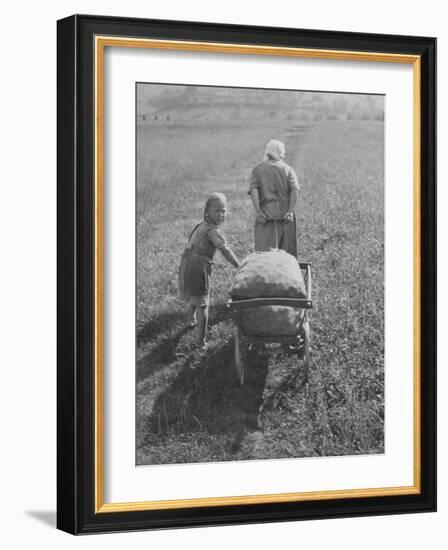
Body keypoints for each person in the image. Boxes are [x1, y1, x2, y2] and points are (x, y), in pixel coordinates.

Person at [179, 192, 240, 349]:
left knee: (195, 295)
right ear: (207, 211)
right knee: (204, 304)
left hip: (189, 263)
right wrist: (239, 266)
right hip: (198, 268)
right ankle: (201, 342)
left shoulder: (202, 224)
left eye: (223, 210)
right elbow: (225, 250)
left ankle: (189, 320)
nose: (221, 215)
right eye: (216, 211)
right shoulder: (212, 231)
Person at [248, 139, 300, 257]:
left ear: (268, 152)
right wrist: (290, 211)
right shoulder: (288, 169)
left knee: (264, 256)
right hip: (285, 218)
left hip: (265, 217)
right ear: (281, 153)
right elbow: (295, 190)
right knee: (286, 257)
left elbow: (253, 190)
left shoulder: (258, 169)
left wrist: (259, 212)